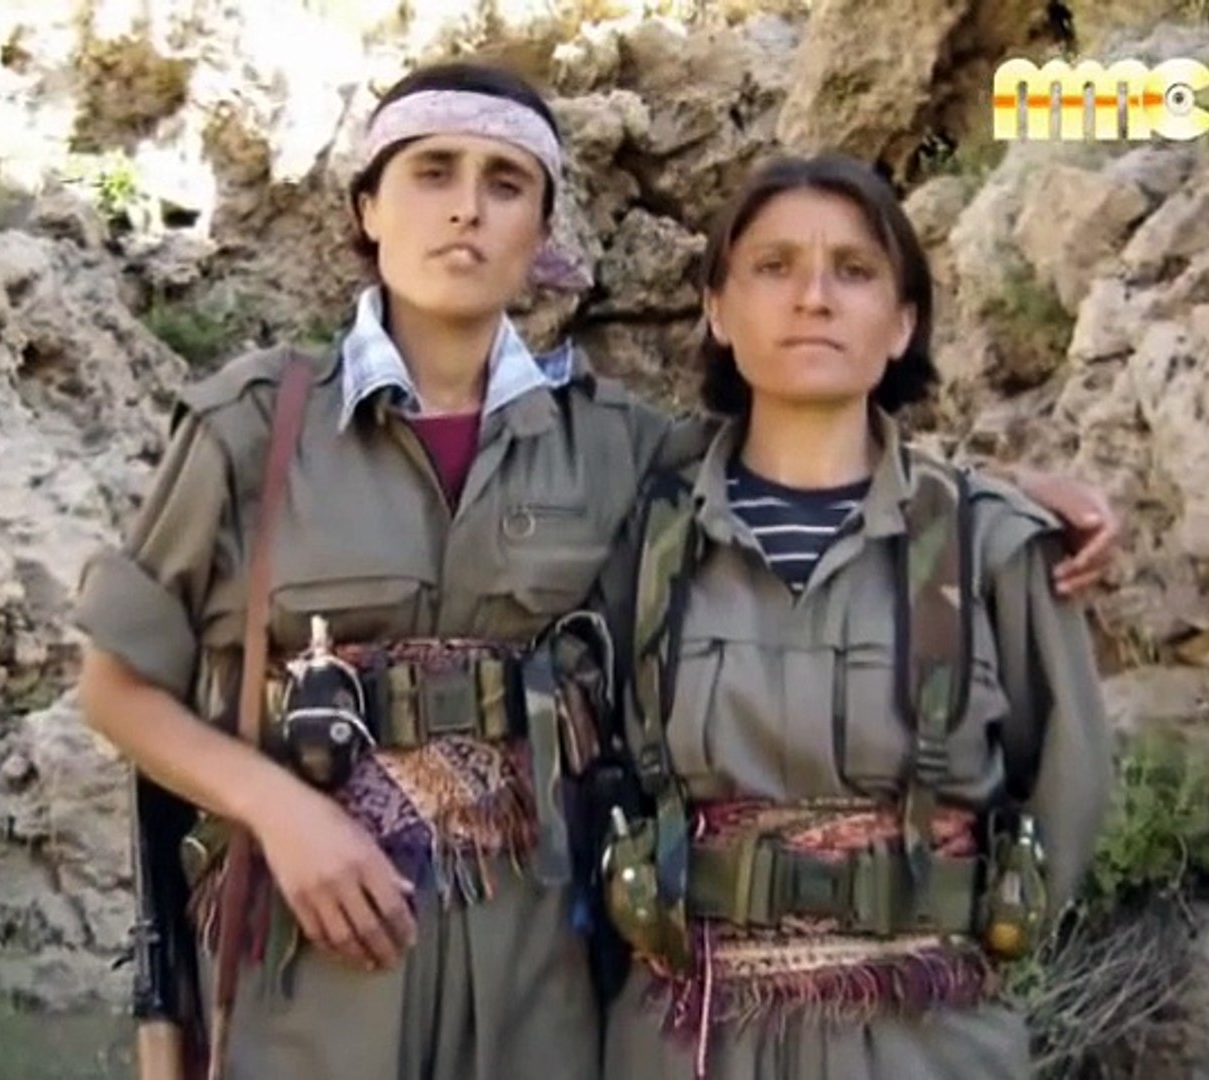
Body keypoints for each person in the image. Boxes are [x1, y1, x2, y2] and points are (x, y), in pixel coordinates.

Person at [71, 61, 1118, 1080]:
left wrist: (1000, 496)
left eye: (506, 183)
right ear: (367, 210)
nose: (467, 209)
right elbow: (116, 685)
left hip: (535, 968)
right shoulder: (253, 429)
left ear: (542, 235)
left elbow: (806, 451)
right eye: (432, 172)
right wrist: (275, 807)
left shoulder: (616, 445)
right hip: (310, 948)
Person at [594, 154, 1113, 1080]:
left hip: (926, 1035)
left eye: (856, 270)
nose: (814, 298)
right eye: (774, 266)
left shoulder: (991, 545)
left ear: (902, 322)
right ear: (718, 310)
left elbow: (1067, 789)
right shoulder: (641, 533)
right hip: (687, 1036)